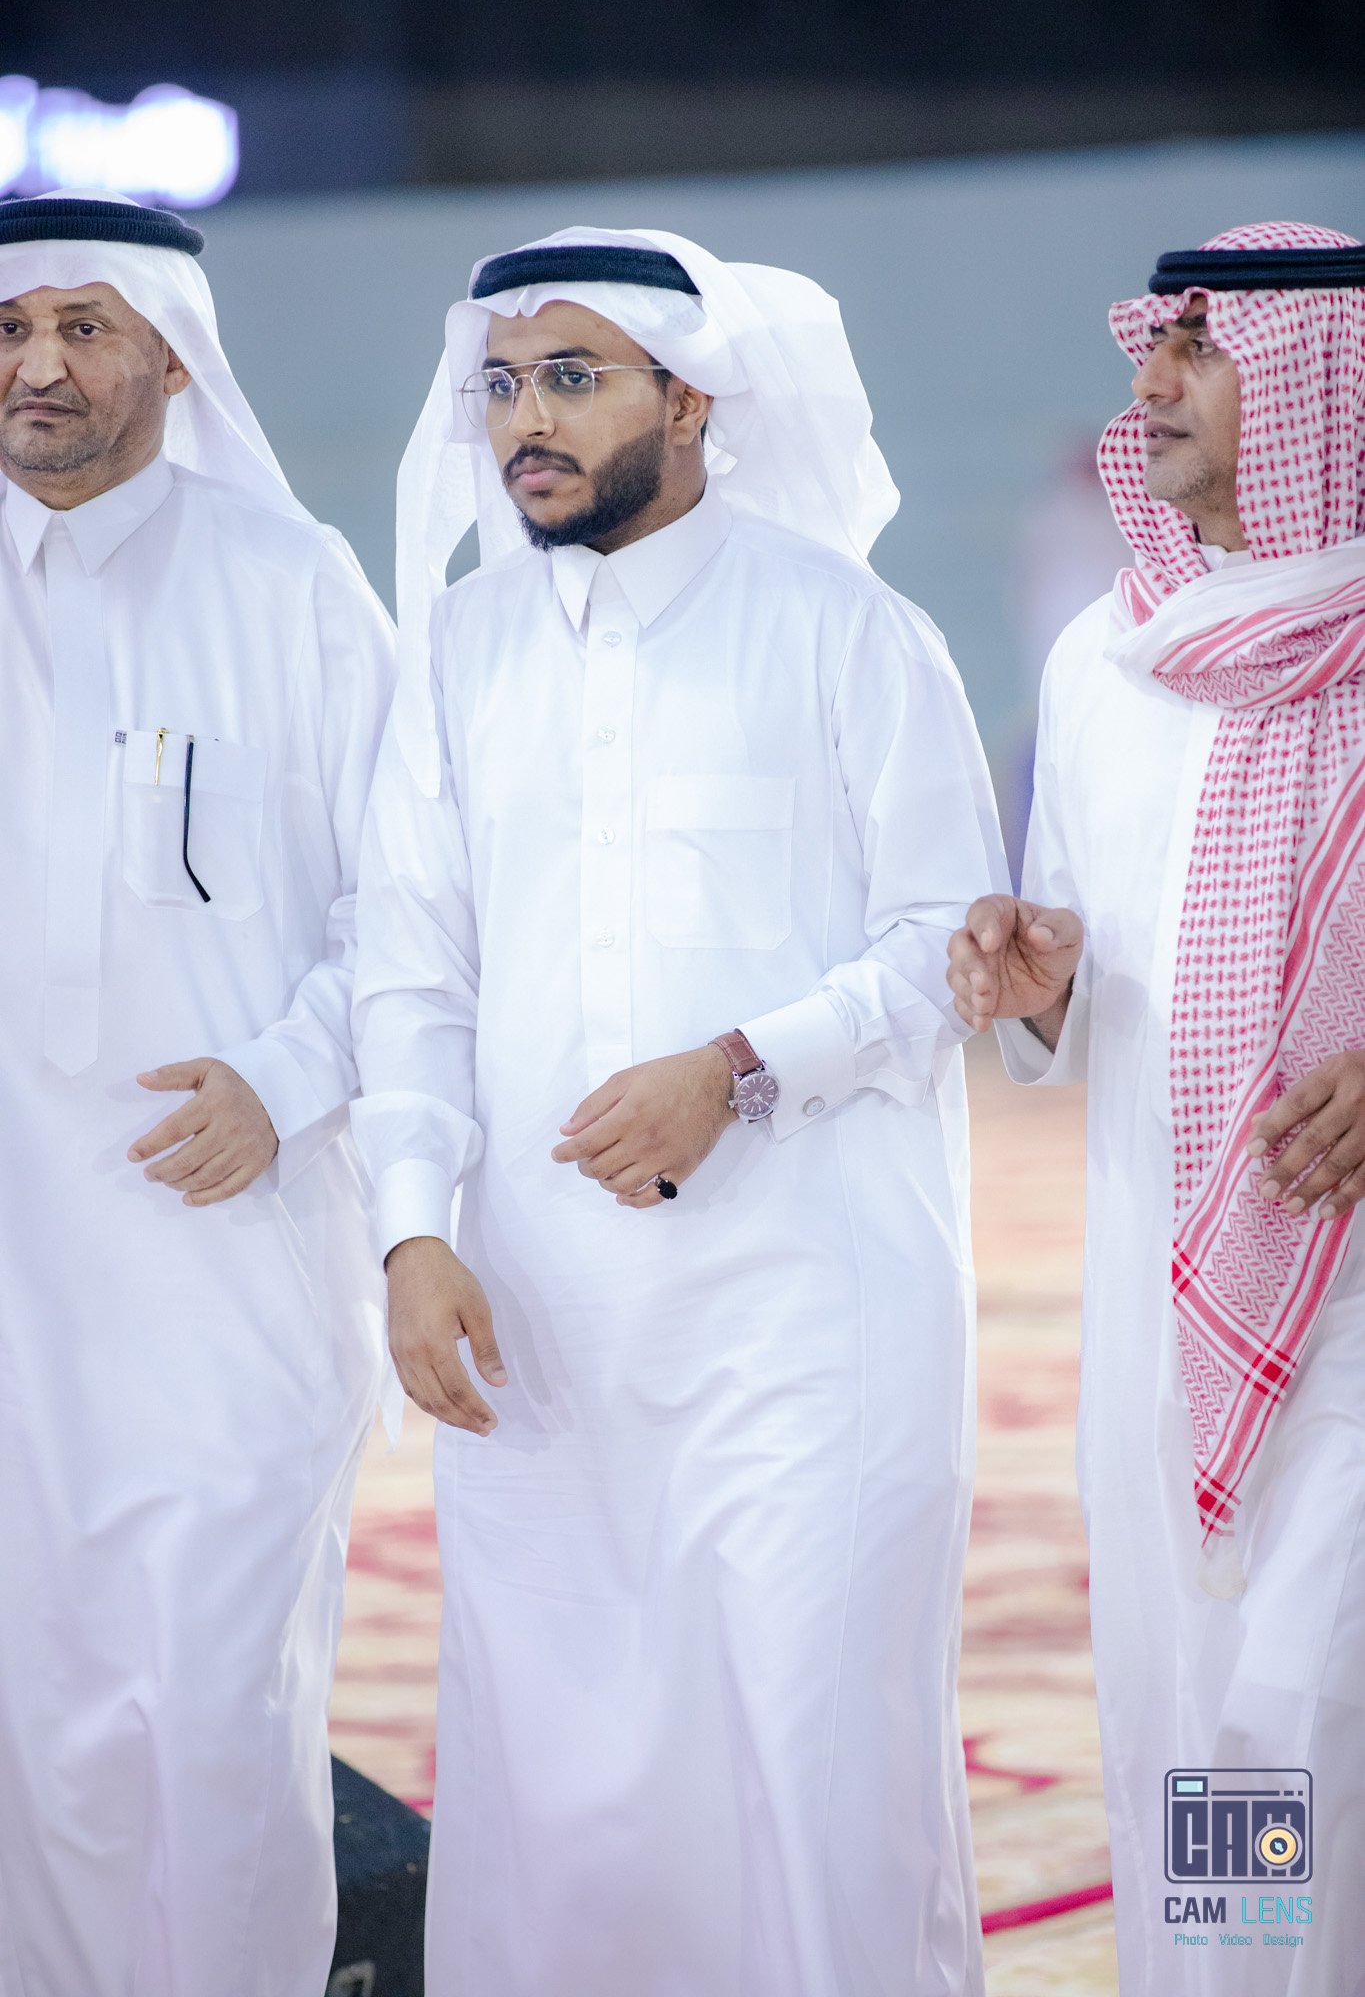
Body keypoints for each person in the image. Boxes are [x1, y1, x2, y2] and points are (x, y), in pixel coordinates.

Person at [351, 226, 1007, 1996]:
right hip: (539, 1328)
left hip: (806, 1319)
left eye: (572, 379)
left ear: (692, 401)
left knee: (810, 1759)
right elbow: (409, 972)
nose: (524, 421)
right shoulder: (461, 651)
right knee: (558, 1784)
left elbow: (947, 941)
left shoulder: (844, 629)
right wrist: (409, 1233)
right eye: (501, 385)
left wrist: (734, 1068)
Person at [948, 222, 1365, 1993]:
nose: (1153, 380)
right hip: (1170, 1312)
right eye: (1152, 343)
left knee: (1305, 1698)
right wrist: (1029, 984)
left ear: (1325, 384)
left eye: (1203, 347)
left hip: (1354, 1310)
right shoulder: (1104, 666)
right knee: (1209, 1724)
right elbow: (1077, 991)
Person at [0, 191, 395, 1996]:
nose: (39, 364)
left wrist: (284, 1078)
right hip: (18, 1268)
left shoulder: (287, 585)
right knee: (40, 1720)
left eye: (83, 327)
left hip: (228, 1250)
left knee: (221, 1711)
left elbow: (412, 906)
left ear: (172, 356)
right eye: (12, 329)